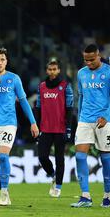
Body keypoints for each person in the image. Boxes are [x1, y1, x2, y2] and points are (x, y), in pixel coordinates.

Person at [0, 48, 39, 206]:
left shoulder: (13, 78)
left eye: (2, 59)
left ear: (6, 61)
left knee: (3, 156)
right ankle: (4, 193)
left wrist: (33, 122)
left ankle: (4, 193)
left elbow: (23, 101)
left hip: (9, 123)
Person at [72, 44, 110, 208]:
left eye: (92, 60)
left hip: (104, 121)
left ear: (98, 56)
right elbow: (81, 97)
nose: (88, 63)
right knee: (79, 156)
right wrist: (79, 118)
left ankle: (107, 196)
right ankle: (85, 197)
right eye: (86, 60)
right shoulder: (81, 73)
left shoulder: (109, 72)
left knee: (105, 158)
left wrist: (107, 116)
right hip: (85, 120)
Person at [35, 60, 74, 198]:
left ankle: (58, 187)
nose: (52, 71)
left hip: (60, 129)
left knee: (60, 159)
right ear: (47, 71)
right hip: (45, 128)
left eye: (54, 69)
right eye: (50, 69)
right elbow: (38, 107)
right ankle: (53, 174)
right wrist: (36, 125)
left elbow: (69, 108)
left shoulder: (65, 86)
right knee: (42, 157)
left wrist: (68, 128)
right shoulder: (41, 87)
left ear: (58, 71)